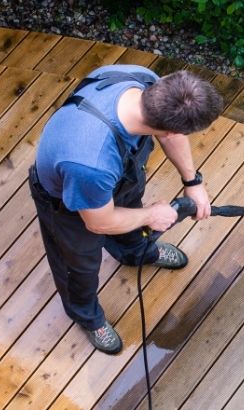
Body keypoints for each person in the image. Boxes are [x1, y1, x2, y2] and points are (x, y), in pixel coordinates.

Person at [28, 64, 223, 354]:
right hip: (69, 205)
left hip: (118, 179)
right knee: (79, 266)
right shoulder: (91, 161)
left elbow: (170, 135)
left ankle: (135, 253)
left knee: (133, 220)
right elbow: (99, 222)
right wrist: (151, 216)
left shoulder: (146, 82)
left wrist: (192, 181)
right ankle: (87, 316)